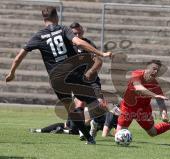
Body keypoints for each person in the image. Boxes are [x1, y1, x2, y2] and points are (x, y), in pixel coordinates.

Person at [5, 6, 112, 144]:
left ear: (44, 19)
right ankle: (96, 123)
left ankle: (89, 138)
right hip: (73, 73)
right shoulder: (63, 29)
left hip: (57, 79)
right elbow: (78, 42)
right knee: (92, 100)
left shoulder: (38, 36)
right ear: (56, 17)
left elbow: (19, 57)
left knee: (71, 110)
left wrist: (12, 73)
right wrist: (101, 53)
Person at [116, 60, 170, 137]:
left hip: (143, 110)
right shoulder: (137, 74)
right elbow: (138, 87)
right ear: (147, 68)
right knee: (119, 134)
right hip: (128, 107)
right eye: (154, 68)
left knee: (152, 132)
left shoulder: (156, 85)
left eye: (157, 70)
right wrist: (154, 95)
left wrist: (164, 114)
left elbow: (161, 102)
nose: (156, 71)